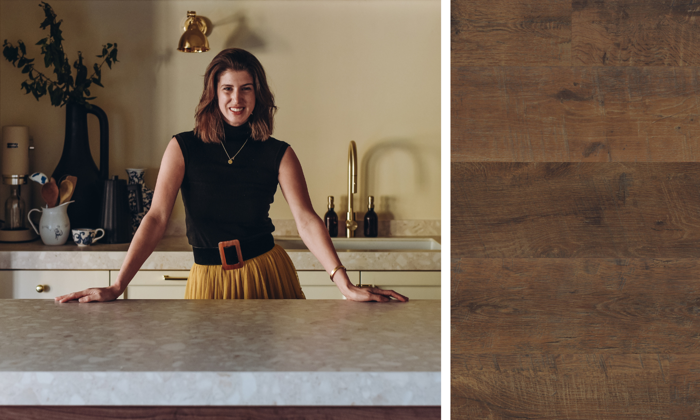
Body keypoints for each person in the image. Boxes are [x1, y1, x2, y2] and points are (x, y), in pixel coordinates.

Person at [55, 48, 408, 303]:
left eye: (246, 89)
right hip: (207, 277)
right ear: (214, 93)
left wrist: (342, 282)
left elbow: (306, 219)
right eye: (228, 89)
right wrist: (118, 286)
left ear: (258, 95)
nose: (236, 99)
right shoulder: (182, 148)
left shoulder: (278, 152)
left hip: (267, 271)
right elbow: (156, 218)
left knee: (273, 386)